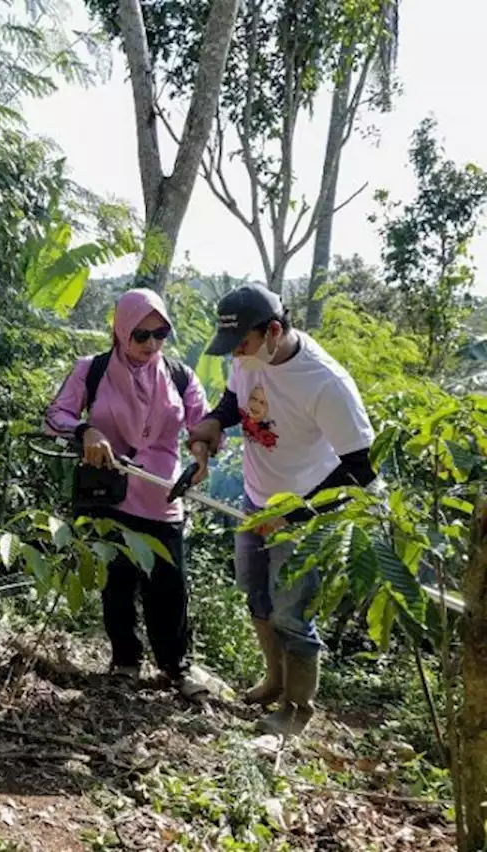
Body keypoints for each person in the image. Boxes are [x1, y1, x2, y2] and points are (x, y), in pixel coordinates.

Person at [187, 284, 376, 736]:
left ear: (274, 331)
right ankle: (274, 680)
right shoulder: (248, 359)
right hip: (257, 499)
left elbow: (361, 465)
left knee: (292, 611)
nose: (238, 356)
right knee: (255, 593)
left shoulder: (324, 382)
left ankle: (298, 708)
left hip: (305, 511)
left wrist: (294, 516)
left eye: (244, 345)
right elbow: (234, 402)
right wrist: (214, 422)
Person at [44, 289, 210, 699]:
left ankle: (175, 666)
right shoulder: (92, 370)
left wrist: (201, 454)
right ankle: (125, 662)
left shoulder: (180, 376)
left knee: (169, 587)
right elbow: (57, 415)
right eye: (141, 335)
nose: (151, 344)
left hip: (162, 496)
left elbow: (201, 425)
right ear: (121, 331)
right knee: (117, 582)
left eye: (160, 334)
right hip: (110, 494)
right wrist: (87, 431)